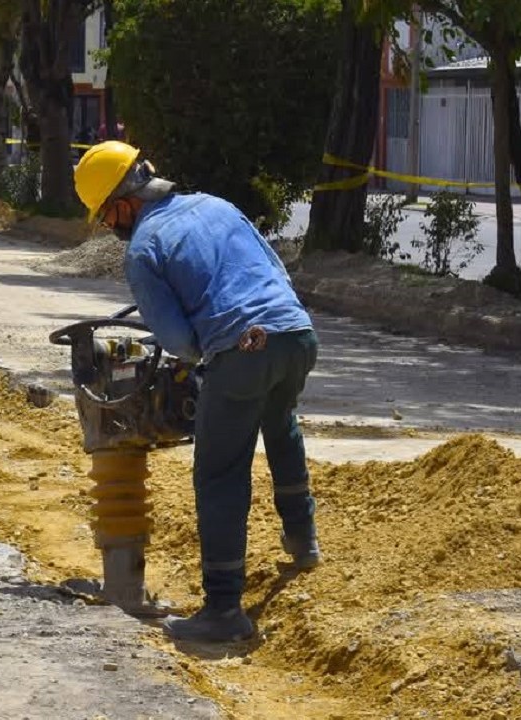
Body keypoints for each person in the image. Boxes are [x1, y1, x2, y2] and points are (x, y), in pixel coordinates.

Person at [73, 141, 322, 643]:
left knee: (219, 472)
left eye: (105, 218)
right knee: (279, 422)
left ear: (122, 204)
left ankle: (224, 610)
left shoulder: (145, 249)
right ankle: (303, 540)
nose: (110, 229)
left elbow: (179, 341)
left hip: (241, 351)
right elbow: (276, 270)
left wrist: (204, 357)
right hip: (296, 333)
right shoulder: (216, 205)